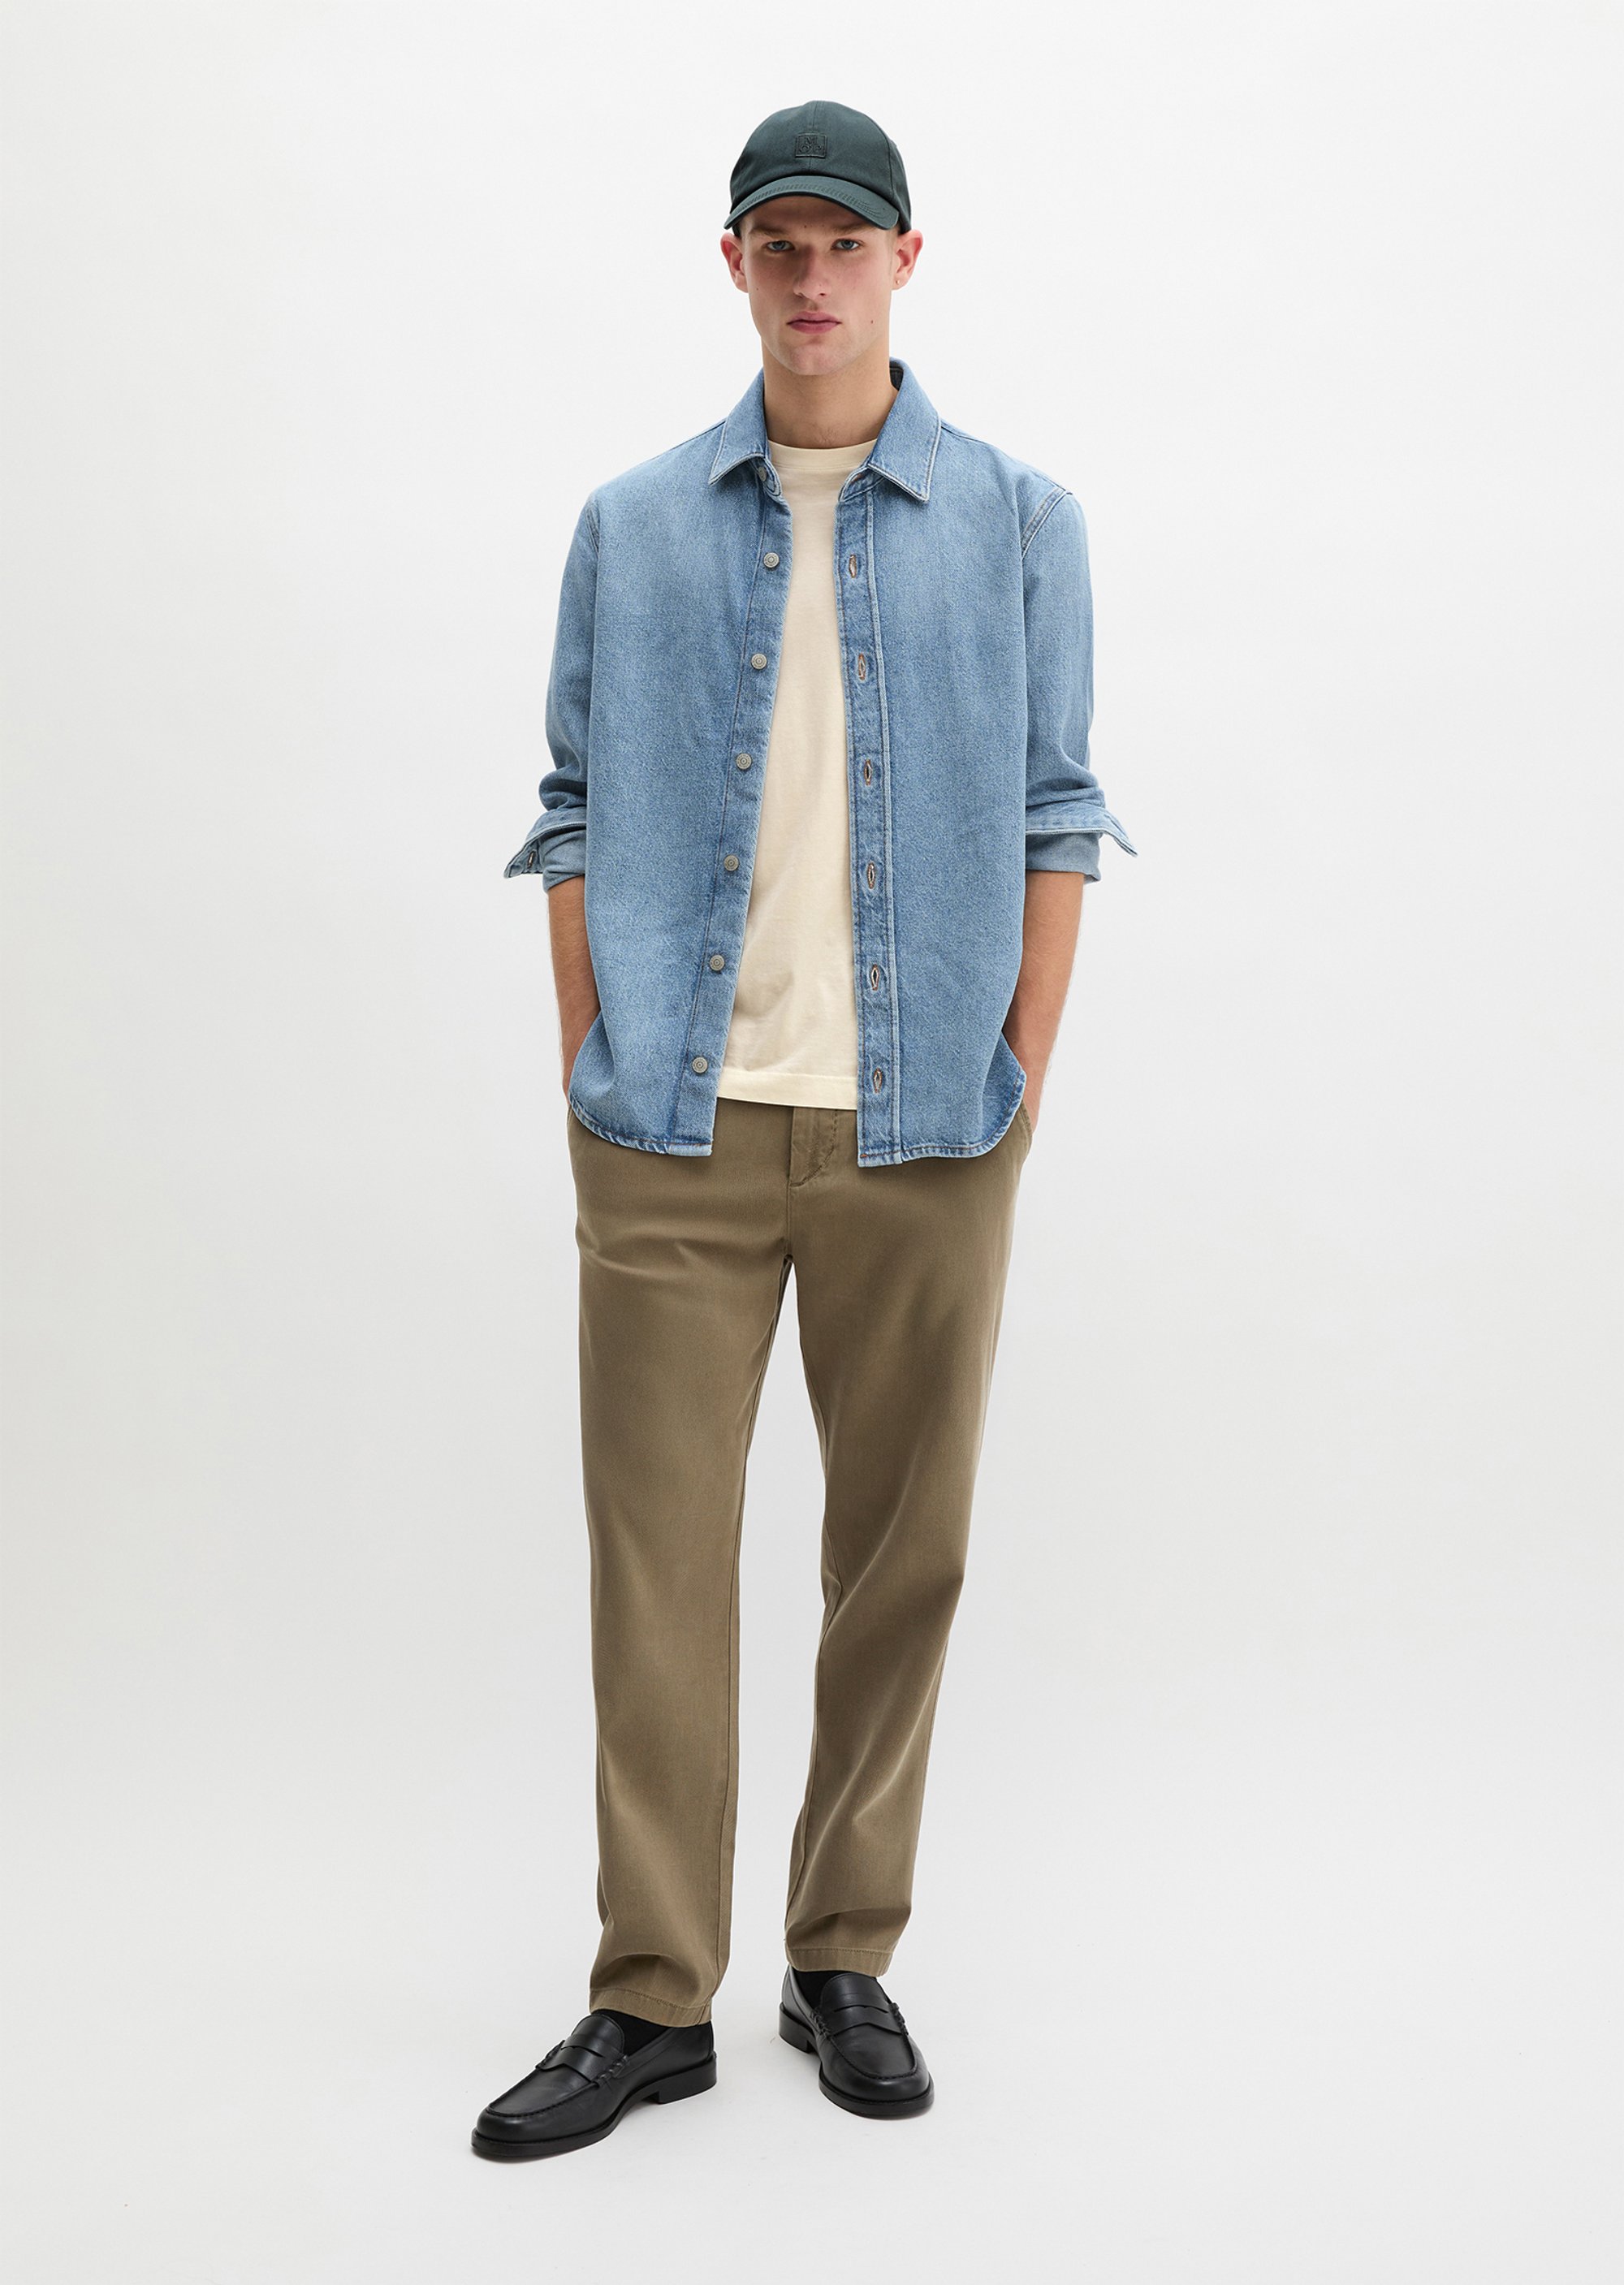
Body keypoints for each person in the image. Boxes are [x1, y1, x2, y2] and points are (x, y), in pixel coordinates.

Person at [473, 97, 1136, 2162]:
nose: (815, 277)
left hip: (926, 1127)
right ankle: (649, 1992)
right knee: (655, 1564)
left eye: (849, 244)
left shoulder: (1019, 522)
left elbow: (1055, 808)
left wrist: (1014, 1072)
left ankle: (842, 1954)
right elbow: (573, 806)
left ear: (905, 265)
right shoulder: (634, 524)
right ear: (737, 265)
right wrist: (594, 1049)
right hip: (669, 1128)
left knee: (898, 1557)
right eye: (782, 243)